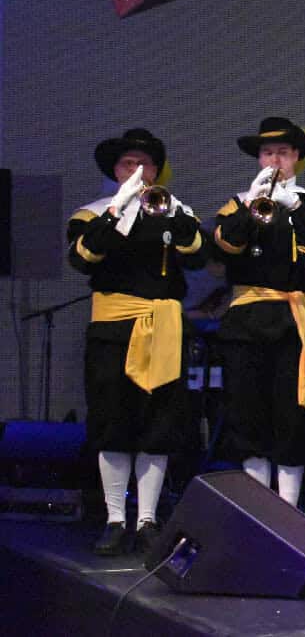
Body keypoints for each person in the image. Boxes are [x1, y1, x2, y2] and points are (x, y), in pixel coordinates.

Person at [67, 128, 206, 555]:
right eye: (128, 163)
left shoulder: (172, 210)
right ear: (115, 170)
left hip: (161, 327)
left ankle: (147, 519)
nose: (137, 171)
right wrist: (117, 208)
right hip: (113, 329)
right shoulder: (91, 214)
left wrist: (174, 214)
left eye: (144, 165)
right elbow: (83, 258)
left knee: (158, 423)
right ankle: (114, 518)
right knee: (112, 421)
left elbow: (198, 254)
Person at [212, 117, 305, 506]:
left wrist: (296, 208)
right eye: (267, 153)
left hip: (293, 319)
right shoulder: (237, 202)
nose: (274, 161)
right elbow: (223, 248)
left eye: (282, 153)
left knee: (292, 416)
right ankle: (258, 509)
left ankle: (287, 511)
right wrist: (249, 205)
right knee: (247, 414)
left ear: (297, 157)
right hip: (245, 320)